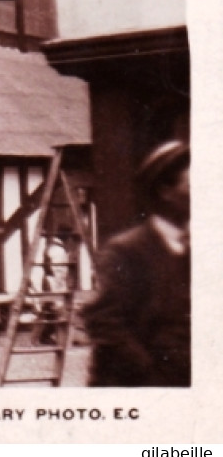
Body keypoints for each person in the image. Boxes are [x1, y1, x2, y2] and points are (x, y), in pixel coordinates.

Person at [82, 140, 190, 387]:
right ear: (166, 191)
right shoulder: (127, 252)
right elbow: (104, 323)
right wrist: (153, 373)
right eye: (194, 184)